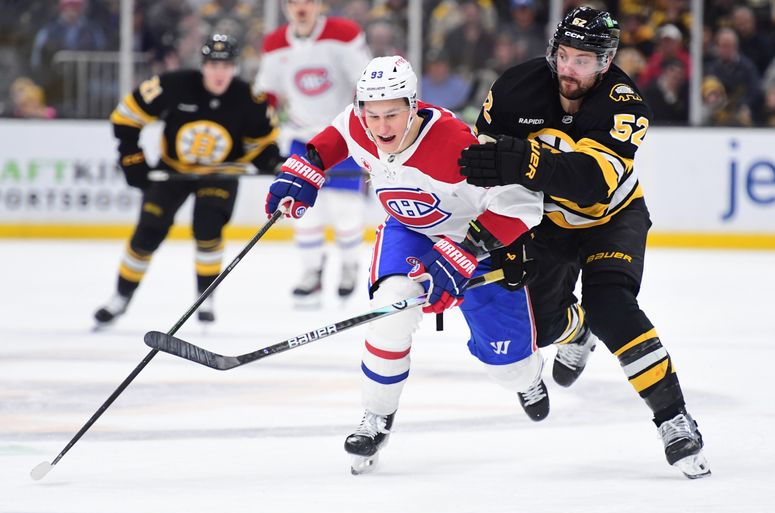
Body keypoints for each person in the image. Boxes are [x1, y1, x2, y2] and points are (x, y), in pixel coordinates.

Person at [458, 6, 711, 479]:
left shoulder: (625, 103)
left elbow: (591, 183)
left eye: (585, 60)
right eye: (565, 56)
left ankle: (673, 418)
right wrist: (498, 227)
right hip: (545, 223)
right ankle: (576, 330)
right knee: (541, 327)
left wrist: (524, 161)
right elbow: (484, 167)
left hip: (610, 219)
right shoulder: (514, 87)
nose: (570, 69)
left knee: (611, 307)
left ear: (606, 61)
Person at [265, 55, 545, 474]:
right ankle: (376, 418)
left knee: (510, 370)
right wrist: (306, 171)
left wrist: (464, 249)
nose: (381, 127)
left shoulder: (456, 143)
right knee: (389, 314)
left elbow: (523, 205)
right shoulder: (359, 123)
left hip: (477, 242)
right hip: (409, 230)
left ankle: (551, 355)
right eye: (372, 114)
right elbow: (335, 137)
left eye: (392, 114)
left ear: (413, 105)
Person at [94, 34, 282, 328]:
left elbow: (262, 143)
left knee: (207, 227)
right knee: (148, 232)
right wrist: (132, 158)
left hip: (221, 173)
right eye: (213, 65)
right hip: (173, 170)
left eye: (226, 65)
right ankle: (120, 297)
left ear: (235, 67)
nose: (219, 72)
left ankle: (205, 296)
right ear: (203, 65)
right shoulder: (174, 85)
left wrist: (272, 161)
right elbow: (125, 116)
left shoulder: (249, 98)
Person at [254, 0, 372, 307]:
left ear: (320, 4)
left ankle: (349, 266)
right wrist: (261, 137)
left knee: (346, 210)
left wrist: (369, 131)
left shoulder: (344, 34)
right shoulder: (275, 43)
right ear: (285, 7)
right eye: (293, 2)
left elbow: (366, 82)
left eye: (307, 0)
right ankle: (311, 273)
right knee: (300, 211)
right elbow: (267, 93)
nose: (301, 7)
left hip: (342, 137)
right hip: (300, 139)